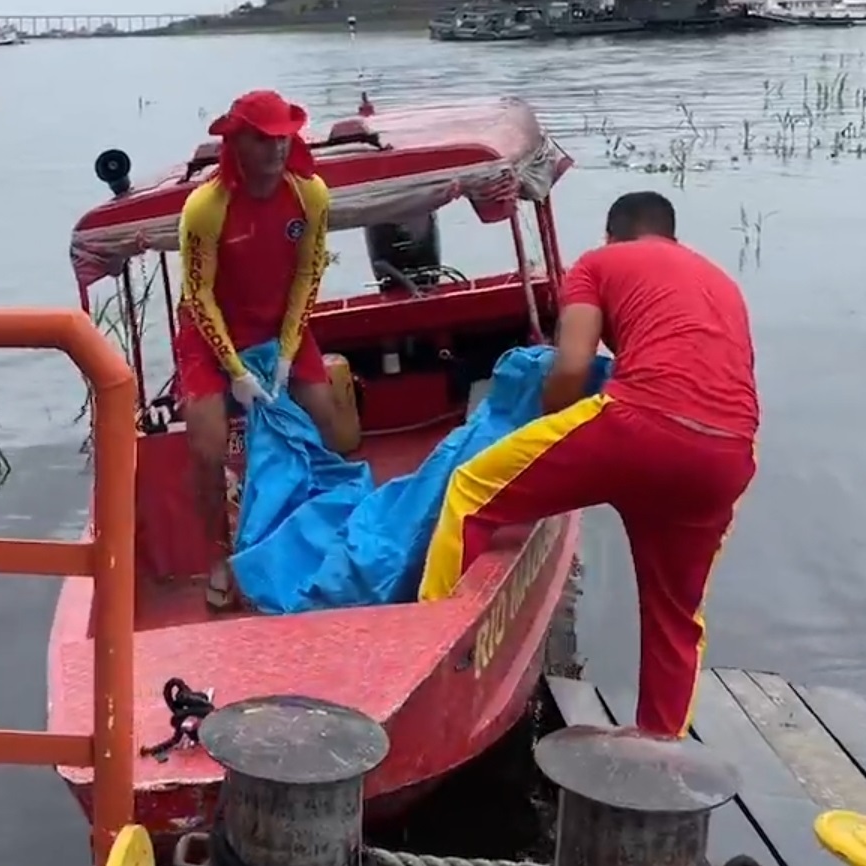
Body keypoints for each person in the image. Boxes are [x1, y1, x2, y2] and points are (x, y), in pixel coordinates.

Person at [418, 191, 760, 738]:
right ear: (671, 235)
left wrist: (546, 419)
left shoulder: (598, 264)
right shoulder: (722, 281)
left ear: (609, 236)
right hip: (727, 454)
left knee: (471, 491)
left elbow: (572, 368)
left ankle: (430, 656)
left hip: (637, 426)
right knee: (676, 616)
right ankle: (659, 741)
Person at [177, 89, 338, 610]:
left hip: (279, 326)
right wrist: (235, 371)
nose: (276, 149)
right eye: (263, 139)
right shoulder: (206, 206)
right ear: (237, 142)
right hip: (211, 333)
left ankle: (320, 534)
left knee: (329, 424)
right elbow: (197, 293)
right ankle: (218, 556)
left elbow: (309, 274)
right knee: (206, 446)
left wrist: (287, 353)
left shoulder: (310, 194)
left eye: (284, 138)